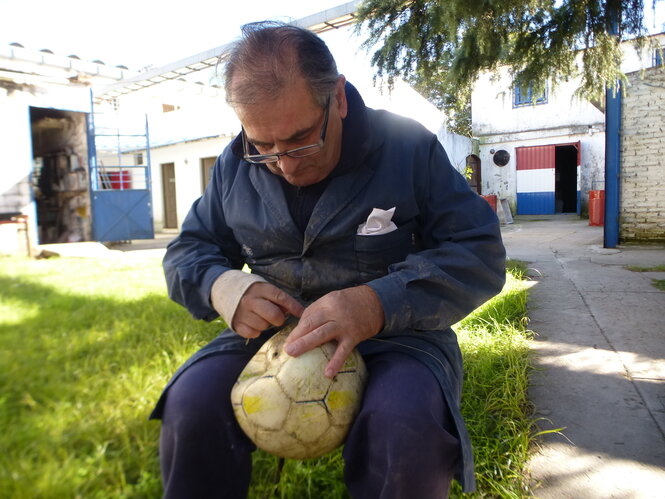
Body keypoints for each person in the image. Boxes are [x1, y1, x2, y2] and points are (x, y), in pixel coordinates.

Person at [151, 21, 506, 498]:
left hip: (396, 336)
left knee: (404, 424)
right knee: (191, 404)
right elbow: (187, 251)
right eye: (263, 147)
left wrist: (376, 303)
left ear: (337, 97)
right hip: (274, 338)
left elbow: (479, 252)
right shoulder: (236, 164)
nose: (285, 163)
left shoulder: (407, 147)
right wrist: (226, 289)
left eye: (300, 140)